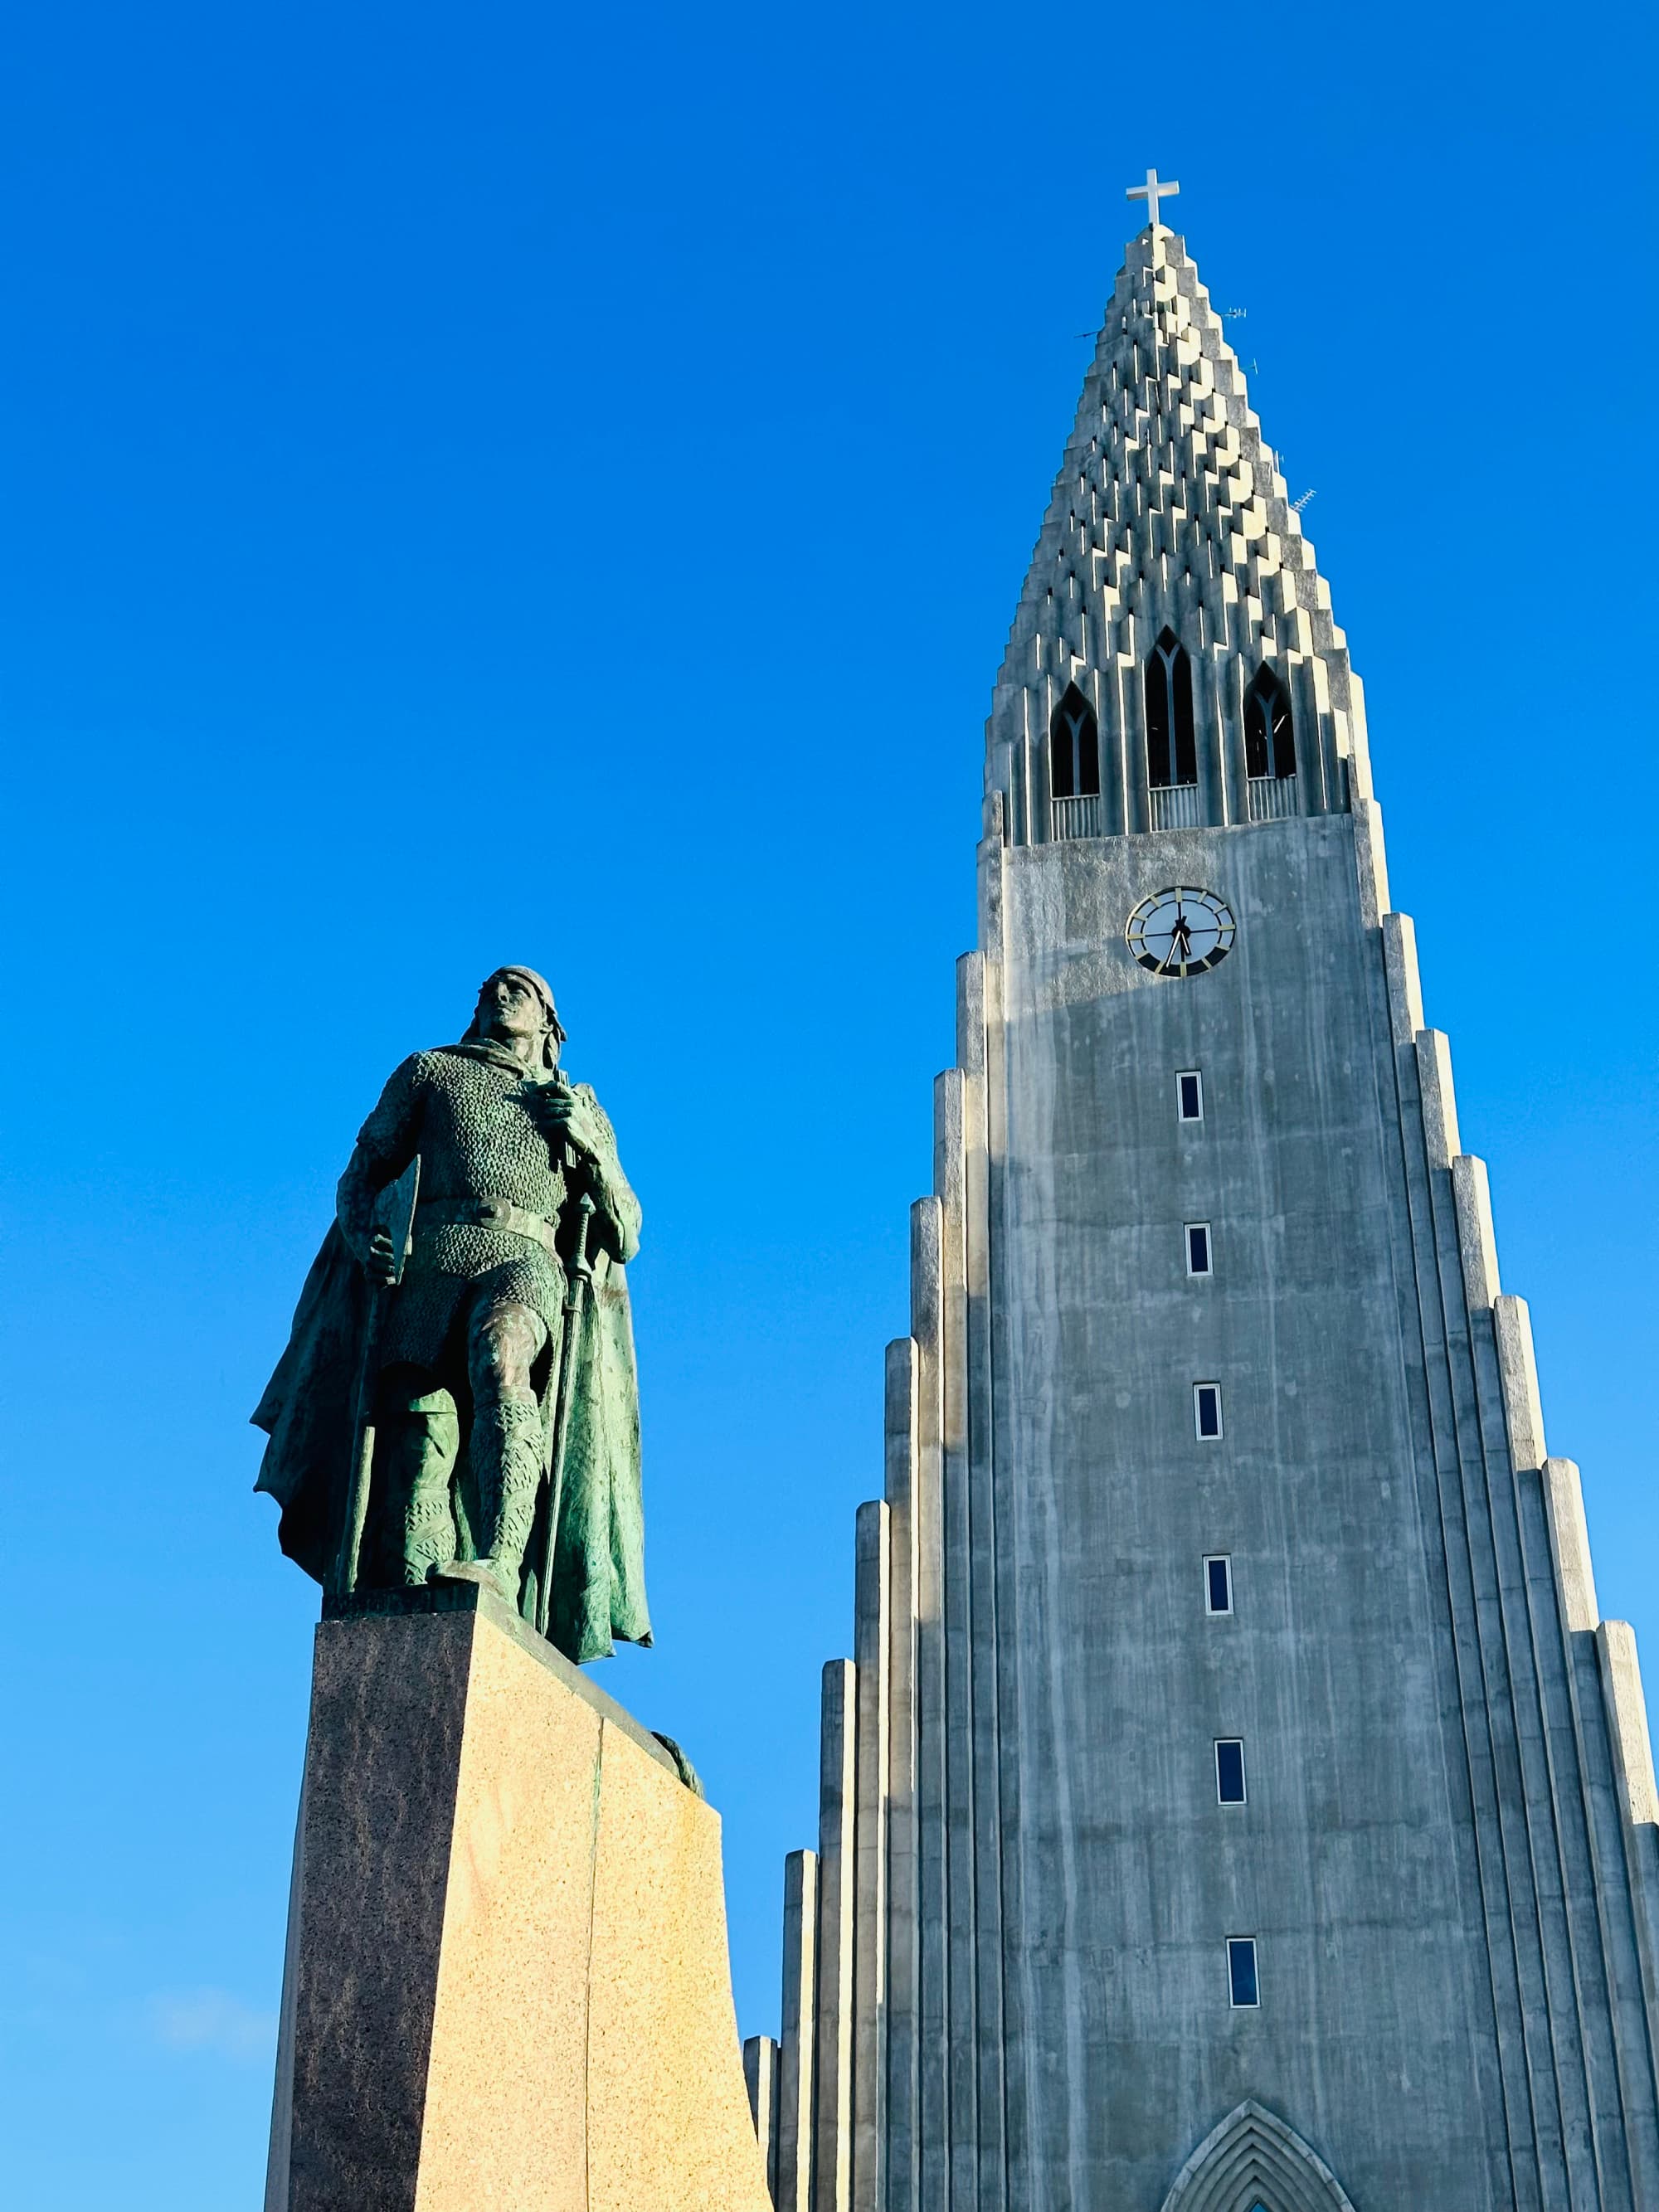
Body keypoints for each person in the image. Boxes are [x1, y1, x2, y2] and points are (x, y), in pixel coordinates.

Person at [251, 966, 650, 1664]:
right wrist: (362, 1235)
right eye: (490, 988)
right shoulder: (430, 1072)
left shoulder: (574, 1103)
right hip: (431, 1267)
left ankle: (499, 1558)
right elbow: (361, 1173)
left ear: (550, 1028)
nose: (498, 996)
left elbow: (627, 1229)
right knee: (418, 1438)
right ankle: (415, 1607)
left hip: (523, 1260)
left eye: (517, 990)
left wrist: (589, 1144)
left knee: (502, 1360)